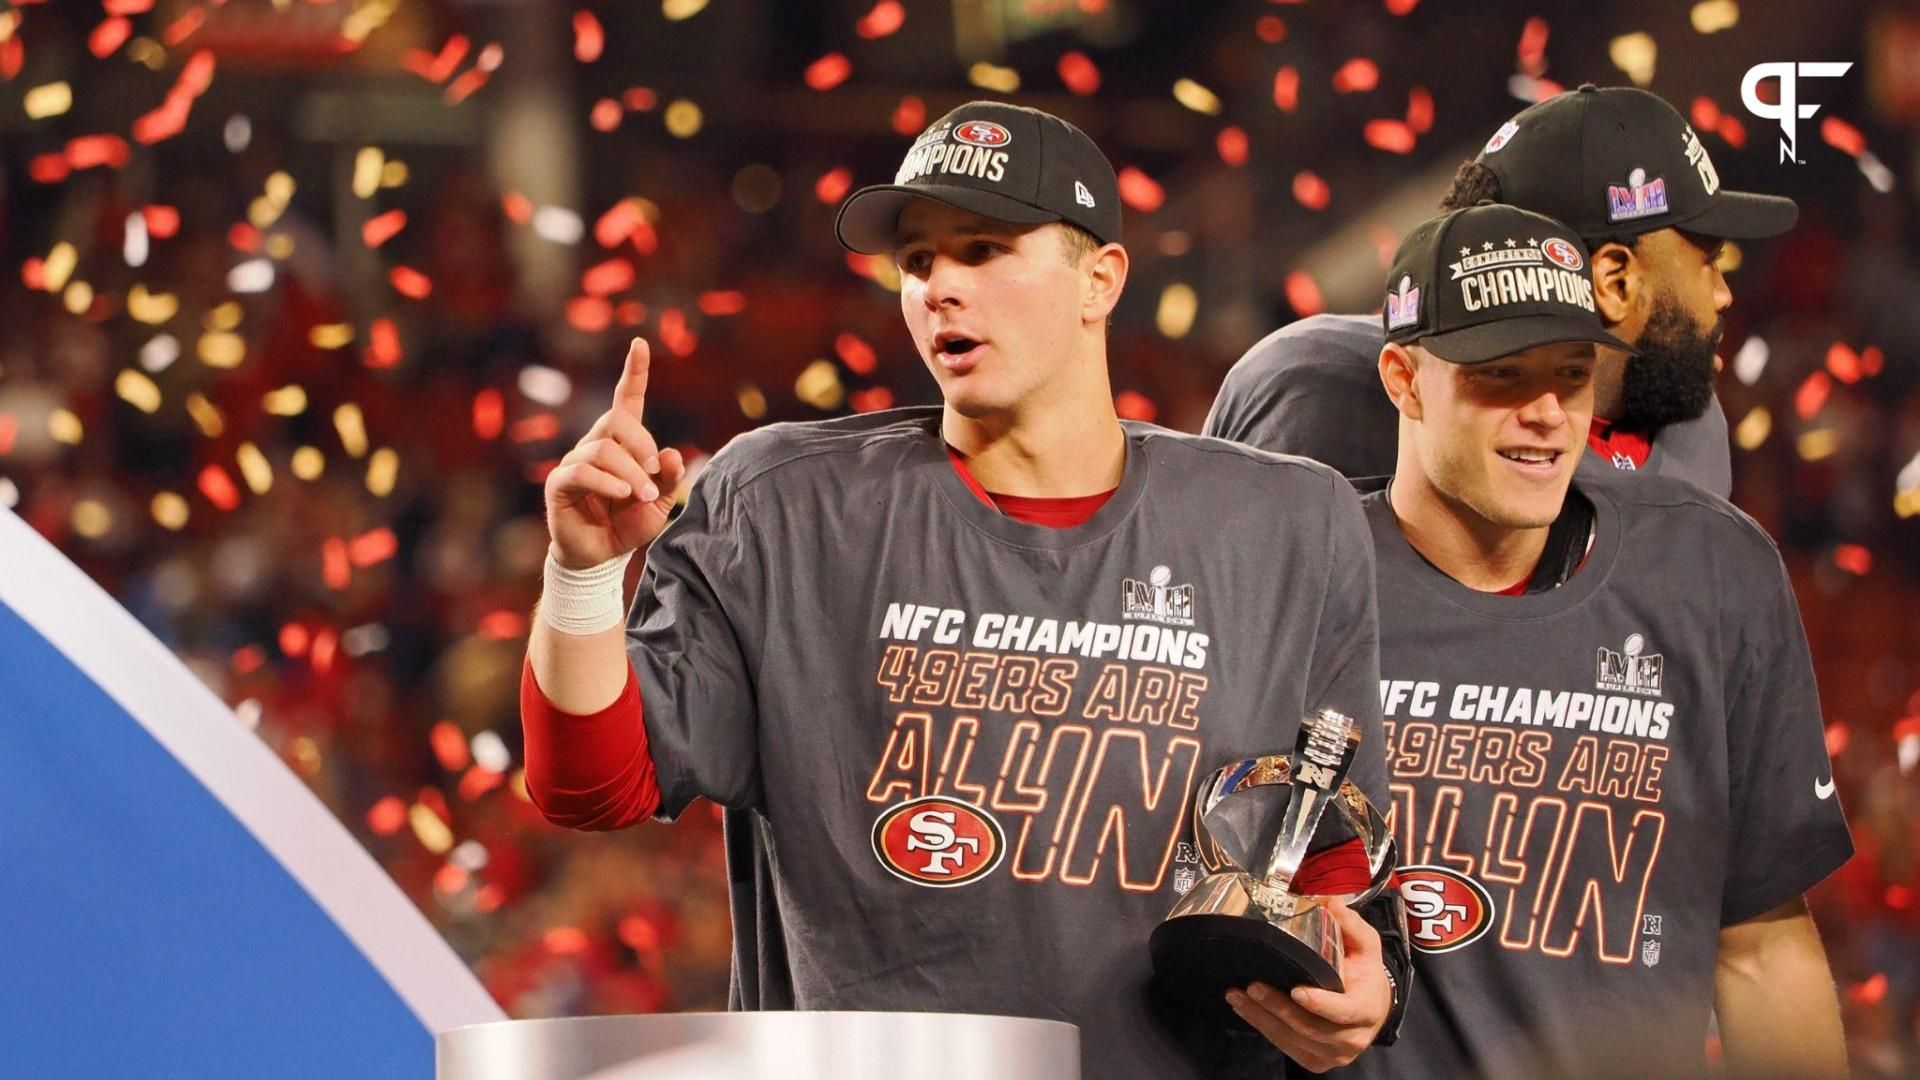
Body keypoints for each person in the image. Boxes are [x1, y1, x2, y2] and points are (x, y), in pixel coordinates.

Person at [520, 101, 1407, 1077]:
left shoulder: (1286, 526)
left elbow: (1329, 859)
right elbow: (591, 788)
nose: (941, 286)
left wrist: (1363, 992)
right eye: (918, 261)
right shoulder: (780, 507)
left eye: (983, 251)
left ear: (1099, 279)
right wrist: (583, 574)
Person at [1338, 201, 1852, 1078]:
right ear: (1402, 377)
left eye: (1573, 375)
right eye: (1502, 375)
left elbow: (1762, 946)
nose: (1547, 412)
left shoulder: (1713, 569)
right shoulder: (1301, 570)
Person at [1206, 84, 1793, 499]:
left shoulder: (1695, 430)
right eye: (1707, 261)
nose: (1722, 294)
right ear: (1614, 281)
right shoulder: (1316, 390)